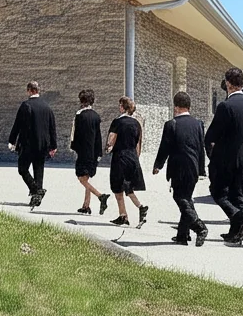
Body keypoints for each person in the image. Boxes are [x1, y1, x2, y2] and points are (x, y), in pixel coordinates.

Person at [205, 67, 243, 245]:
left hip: (226, 158)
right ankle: (235, 231)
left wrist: (211, 151)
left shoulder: (225, 106)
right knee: (236, 192)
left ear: (228, 84)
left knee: (218, 192)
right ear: (242, 83)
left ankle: (242, 218)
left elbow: (212, 135)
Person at [153, 91, 207, 246]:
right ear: (189, 106)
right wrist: (201, 169)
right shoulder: (198, 124)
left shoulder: (171, 125)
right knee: (187, 199)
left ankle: (199, 226)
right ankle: (182, 236)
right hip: (193, 168)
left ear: (175, 107)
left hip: (178, 167)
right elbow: (200, 148)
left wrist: (158, 165)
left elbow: (165, 147)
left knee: (180, 198)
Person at [8, 81, 58, 208]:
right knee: (39, 170)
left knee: (22, 168)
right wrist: (53, 145)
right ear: (38, 90)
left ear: (29, 90)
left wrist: (12, 140)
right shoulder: (47, 107)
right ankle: (36, 198)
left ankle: (36, 190)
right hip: (43, 144)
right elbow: (52, 127)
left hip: (28, 143)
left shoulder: (26, 105)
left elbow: (17, 124)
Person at [105, 96, 148, 227]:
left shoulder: (117, 122)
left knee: (117, 187)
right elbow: (138, 143)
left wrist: (107, 148)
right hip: (132, 157)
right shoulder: (136, 123)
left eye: (120, 105)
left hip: (120, 157)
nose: (119, 107)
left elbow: (111, 138)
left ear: (123, 107)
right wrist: (136, 158)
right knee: (128, 187)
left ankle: (131, 211)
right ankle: (129, 212)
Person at [70, 89, 110, 215]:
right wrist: (99, 153)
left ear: (82, 101)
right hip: (94, 151)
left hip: (83, 151)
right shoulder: (96, 116)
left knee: (82, 178)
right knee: (88, 177)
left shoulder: (79, 115)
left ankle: (100, 196)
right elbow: (98, 136)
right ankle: (86, 205)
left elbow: (75, 134)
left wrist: (73, 147)